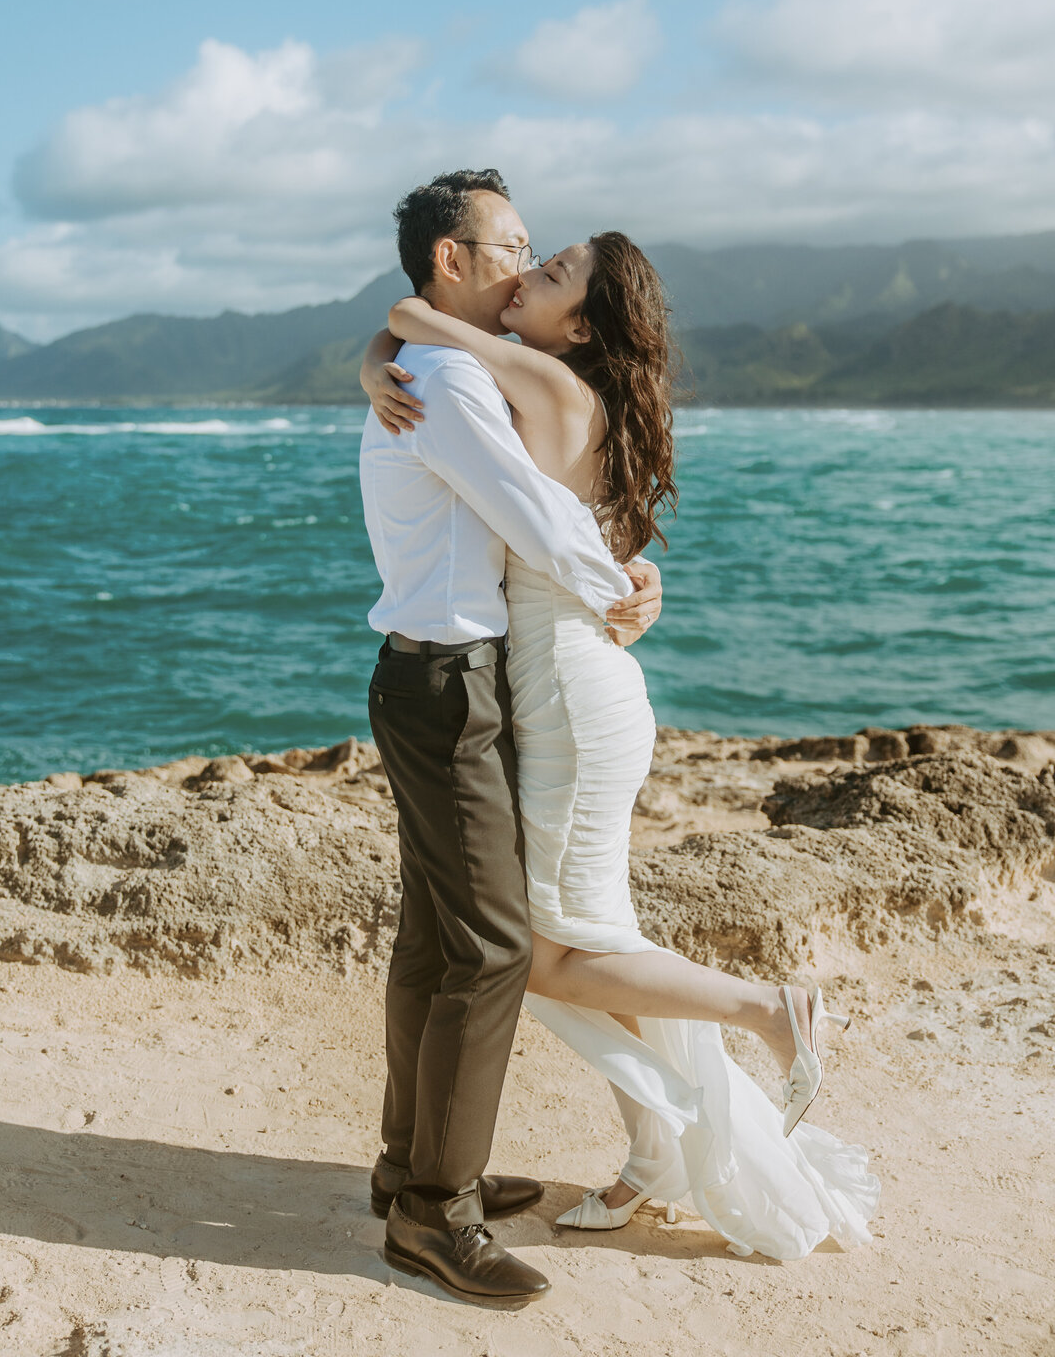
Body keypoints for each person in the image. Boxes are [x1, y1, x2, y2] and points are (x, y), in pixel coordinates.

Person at [362, 197, 881, 1264]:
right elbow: (427, 325)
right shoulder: (576, 387)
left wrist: (385, 340)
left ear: (584, 325)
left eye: (547, 272)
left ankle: (765, 1008)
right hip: (579, 687)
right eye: (523, 257)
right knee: (595, 936)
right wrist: (383, 347)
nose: (525, 277)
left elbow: (428, 321)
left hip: (566, 695)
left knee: (549, 953)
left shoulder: (541, 382)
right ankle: (655, 1150)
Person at [357, 169, 666, 1307]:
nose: (525, 265)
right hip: (445, 688)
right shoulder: (440, 378)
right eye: (509, 246)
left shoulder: (431, 362)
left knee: (439, 940)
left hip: (443, 678)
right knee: (487, 949)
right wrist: (615, 593)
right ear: (451, 261)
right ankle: (435, 1215)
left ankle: (412, 1173)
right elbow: (532, 514)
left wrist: (628, 577)